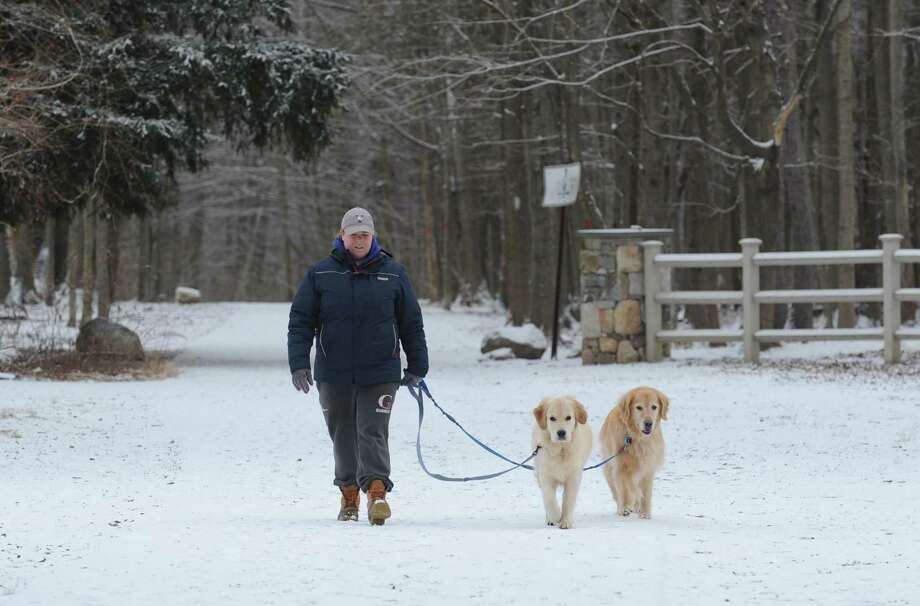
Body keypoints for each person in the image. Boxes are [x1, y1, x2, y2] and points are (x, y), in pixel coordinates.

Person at [287, 207, 428, 525]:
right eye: (354, 235)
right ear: (343, 236)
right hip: (333, 371)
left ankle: (376, 493)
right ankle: (349, 493)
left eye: (365, 235)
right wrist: (298, 363)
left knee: (372, 430)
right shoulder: (320, 273)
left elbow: (411, 322)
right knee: (342, 433)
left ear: (373, 236)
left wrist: (418, 364)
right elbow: (300, 321)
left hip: (380, 371)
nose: (360, 240)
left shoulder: (393, 273)